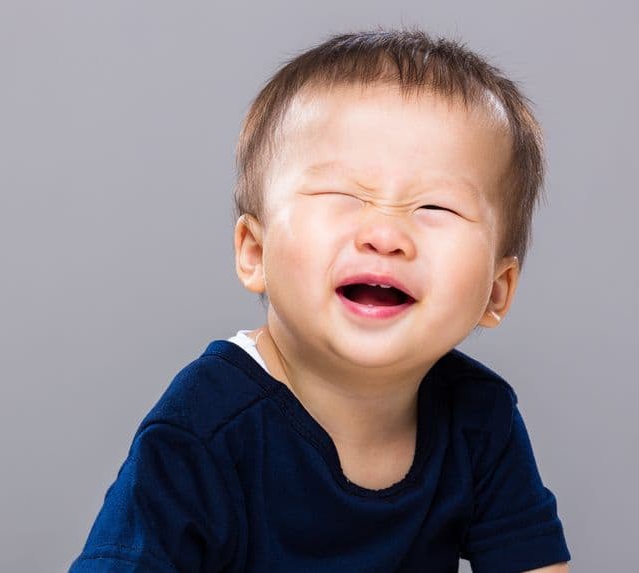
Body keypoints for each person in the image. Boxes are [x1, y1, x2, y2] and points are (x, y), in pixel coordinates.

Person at [69, 29, 571, 572]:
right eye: (342, 196)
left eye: (436, 207)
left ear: (496, 293)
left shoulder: (477, 417)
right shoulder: (206, 427)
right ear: (255, 253)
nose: (384, 234)